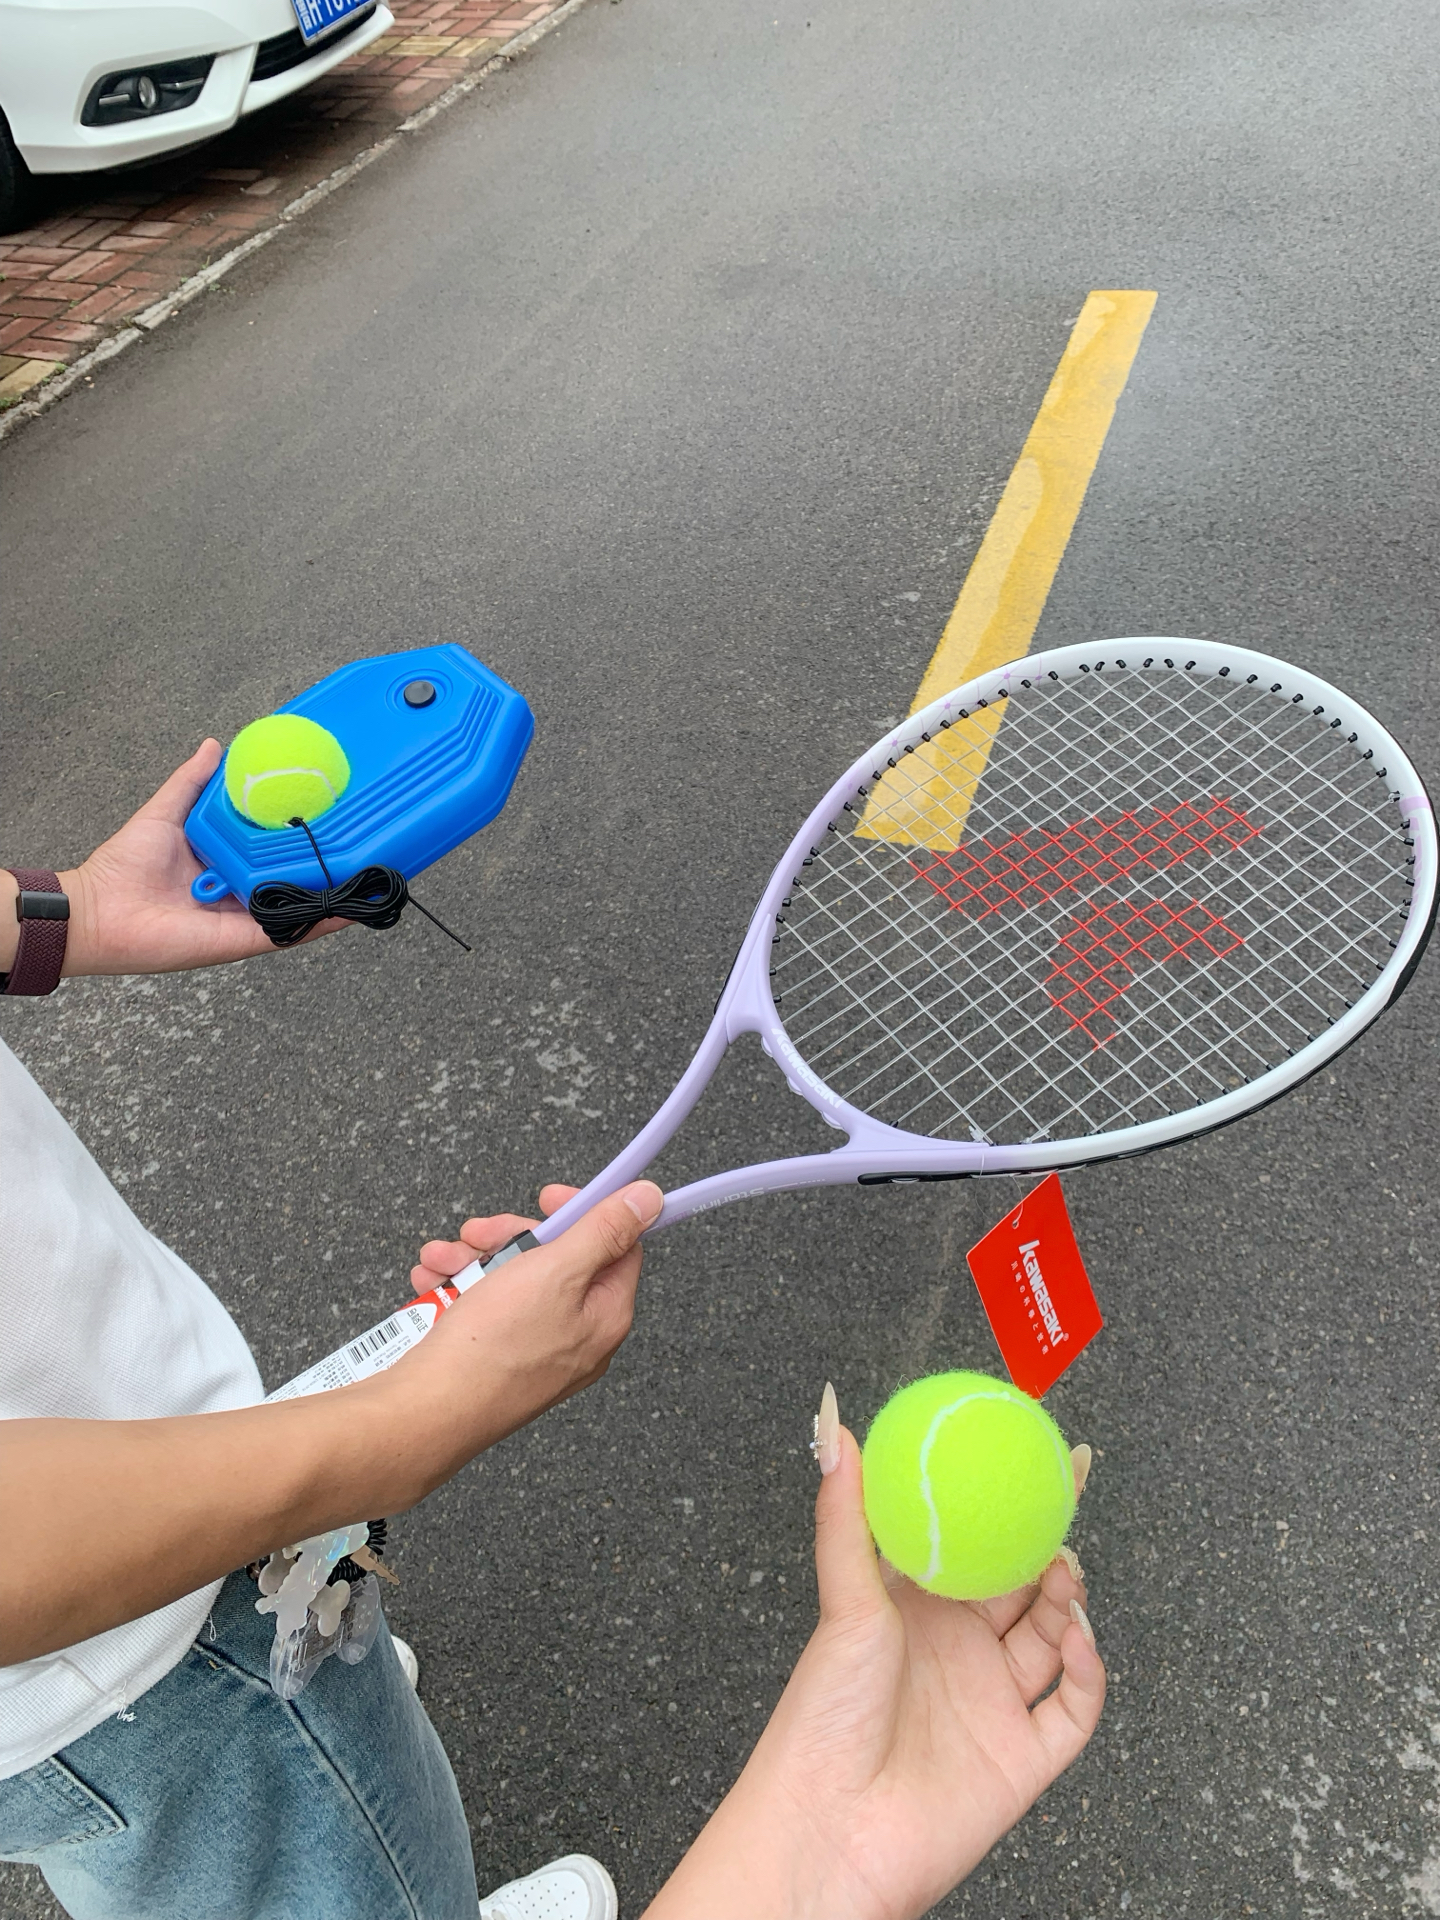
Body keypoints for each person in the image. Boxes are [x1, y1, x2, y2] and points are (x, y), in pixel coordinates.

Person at [1, 742, 1104, 1920]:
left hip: (158, 1499)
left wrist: (54, 920)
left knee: (349, 1745)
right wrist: (408, 1423)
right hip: (127, 1656)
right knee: (348, 1842)